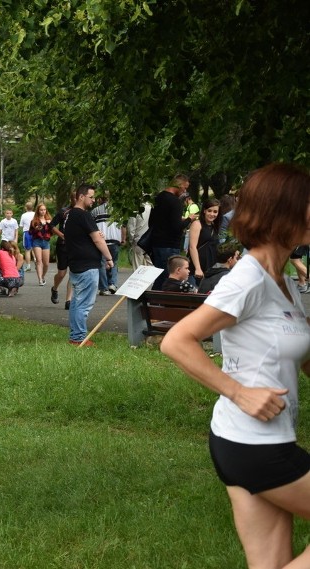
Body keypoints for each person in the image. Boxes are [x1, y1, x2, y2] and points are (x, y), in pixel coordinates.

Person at [161, 163, 310, 569]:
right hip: (251, 445)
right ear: (286, 212)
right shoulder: (248, 279)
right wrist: (241, 392)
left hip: (261, 442)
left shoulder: (283, 280)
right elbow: (177, 341)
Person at [64, 184, 113, 347]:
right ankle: (79, 338)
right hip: (87, 266)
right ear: (81, 197)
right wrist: (109, 257)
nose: (94, 200)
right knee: (84, 304)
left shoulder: (69, 216)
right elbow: (97, 239)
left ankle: (75, 336)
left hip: (76, 264)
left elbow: (83, 237)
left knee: (77, 302)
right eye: (91, 197)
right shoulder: (84, 216)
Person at [149, 175, 188, 290]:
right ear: (179, 185)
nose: (184, 191)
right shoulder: (175, 202)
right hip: (170, 244)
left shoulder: (158, 198)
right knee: (169, 278)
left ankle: (154, 302)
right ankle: (160, 303)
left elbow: (152, 221)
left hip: (156, 243)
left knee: (160, 275)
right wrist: (189, 219)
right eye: (184, 188)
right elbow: (177, 227)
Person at [91, 193, 125, 295]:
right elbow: (123, 226)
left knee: (101, 263)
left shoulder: (95, 211)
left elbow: (91, 227)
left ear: (101, 199)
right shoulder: (117, 210)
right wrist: (123, 238)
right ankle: (113, 284)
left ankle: (104, 288)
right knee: (114, 262)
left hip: (102, 240)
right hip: (115, 239)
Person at [50, 193, 75, 309]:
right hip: (63, 246)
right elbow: (51, 225)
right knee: (61, 273)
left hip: (76, 247)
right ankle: (54, 288)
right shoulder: (64, 211)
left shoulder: (84, 213)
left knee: (73, 273)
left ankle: (68, 300)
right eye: (75, 198)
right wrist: (61, 235)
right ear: (72, 199)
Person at [188, 198, 222, 284]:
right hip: (197, 267)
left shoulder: (214, 226)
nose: (212, 214)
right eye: (209, 211)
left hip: (210, 265)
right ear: (204, 211)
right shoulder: (197, 224)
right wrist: (198, 268)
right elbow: (192, 247)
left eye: (215, 212)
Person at [29, 203, 53, 286]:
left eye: (44, 210)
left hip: (46, 242)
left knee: (46, 263)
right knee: (39, 261)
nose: (43, 211)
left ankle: (42, 276)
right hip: (37, 241)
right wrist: (36, 229)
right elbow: (30, 232)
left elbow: (52, 232)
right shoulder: (34, 221)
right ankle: (40, 279)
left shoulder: (49, 220)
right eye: (41, 210)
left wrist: (50, 224)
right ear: (38, 211)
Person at [127, 199, 153, 270]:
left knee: (137, 267)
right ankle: (151, 281)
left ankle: (137, 281)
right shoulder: (152, 207)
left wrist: (131, 240)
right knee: (150, 265)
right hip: (150, 240)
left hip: (138, 240)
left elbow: (131, 227)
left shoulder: (135, 208)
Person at [19, 203, 35, 271]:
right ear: (32, 207)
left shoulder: (24, 215)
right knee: (35, 248)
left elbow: (21, 225)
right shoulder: (35, 214)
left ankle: (28, 265)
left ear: (26, 207)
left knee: (27, 250)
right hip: (35, 232)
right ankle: (37, 262)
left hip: (27, 232)